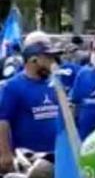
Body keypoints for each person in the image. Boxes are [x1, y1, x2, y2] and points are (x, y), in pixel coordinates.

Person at [0, 32, 61, 168]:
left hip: (55, 156)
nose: (53, 62)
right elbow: (3, 122)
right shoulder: (13, 86)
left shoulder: (54, 83)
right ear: (33, 58)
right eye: (48, 57)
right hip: (28, 161)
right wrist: (5, 154)